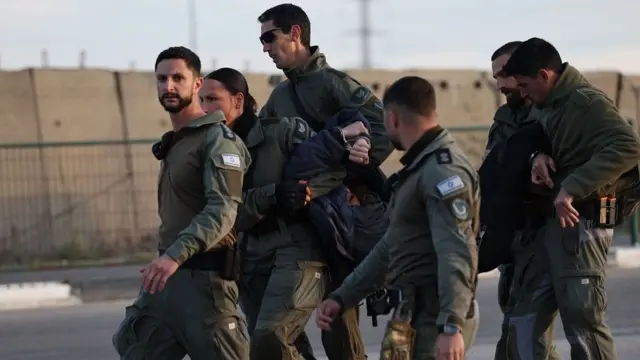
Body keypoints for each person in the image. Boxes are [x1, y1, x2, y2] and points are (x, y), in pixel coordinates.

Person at [198, 67, 368, 360]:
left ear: (238, 101)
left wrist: (304, 192)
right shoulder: (208, 152)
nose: (205, 108)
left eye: (213, 99)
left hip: (298, 247)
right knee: (276, 347)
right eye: (201, 100)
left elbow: (334, 167)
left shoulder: (281, 131)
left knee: (271, 334)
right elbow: (222, 211)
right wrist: (273, 196)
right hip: (249, 256)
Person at [256, 4, 394, 359]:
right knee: (275, 327)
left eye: (270, 37)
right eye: (262, 40)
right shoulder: (279, 98)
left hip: (341, 217)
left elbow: (380, 133)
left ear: (296, 34)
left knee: (338, 320)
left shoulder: (335, 85)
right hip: (299, 221)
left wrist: (335, 179)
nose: (265, 47)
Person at [316, 76, 480, 360]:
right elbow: (391, 246)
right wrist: (343, 297)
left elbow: (457, 252)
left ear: (392, 119)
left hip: (435, 316)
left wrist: (452, 326)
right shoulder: (419, 170)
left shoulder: (441, 173)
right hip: (412, 312)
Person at [501, 37, 640, 360]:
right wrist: (537, 156)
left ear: (545, 76)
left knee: (583, 323)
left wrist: (573, 187)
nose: (522, 92)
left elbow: (628, 147)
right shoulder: (547, 105)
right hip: (549, 228)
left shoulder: (586, 103)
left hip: (580, 226)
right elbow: (539, 137)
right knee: (524, 320)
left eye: (524, 84)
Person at [111, 47, 251, 360]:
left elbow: (222, 210)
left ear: (197, 84)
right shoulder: (176, 141)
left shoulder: (218, 140)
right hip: (164, 285)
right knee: (135, 348)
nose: (169, 86)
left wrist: (174, 255)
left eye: (178, 78)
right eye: (162, 79)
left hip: (204, 286)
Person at [485, 41, 560, 360]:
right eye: (497, 77)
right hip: (511, 235)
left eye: (506, 74)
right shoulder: (504, 118)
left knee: (529, 331)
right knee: (514, 324)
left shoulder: (549, 113)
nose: (501, 84)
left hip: (544, 232)